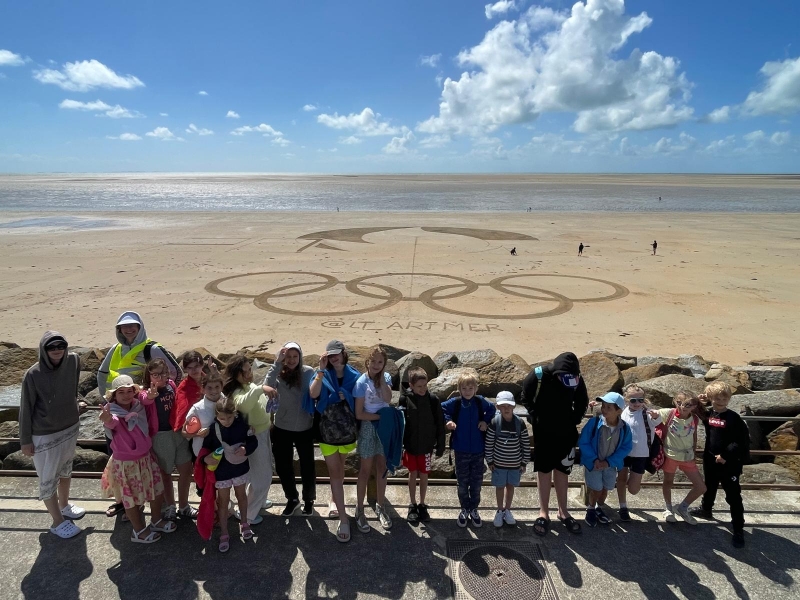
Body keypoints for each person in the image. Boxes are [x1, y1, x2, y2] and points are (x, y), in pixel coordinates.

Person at [19, 331, 85, 539]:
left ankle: (64, 505)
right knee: (48, 478)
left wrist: (77, 402)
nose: (57, 350)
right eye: (51, 347)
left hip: (69, 427)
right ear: (43, 350)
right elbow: (26, 408)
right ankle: (57, 522)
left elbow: (73, 387)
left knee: (65, 471)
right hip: (44, 434)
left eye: (60, 346)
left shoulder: (73, 361)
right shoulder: (33, 374)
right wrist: (25, 441)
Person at [521, 352, 589, 536]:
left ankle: (563, 510)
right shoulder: (539, 375)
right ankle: (543, 511)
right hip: (543, 434)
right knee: (544, 472)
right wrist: (534, 415)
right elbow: (525, 396)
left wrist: (573, 419)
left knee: (562, 471)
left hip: (566, 434)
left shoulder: (576, 378)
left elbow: (582, 401)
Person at [100, 375, 174, 543]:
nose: (126, 395)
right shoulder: (111, 411)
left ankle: (156, 520)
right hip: (126, 463)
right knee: (130, 498)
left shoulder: (137, 406)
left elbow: (147, 400)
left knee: (157, 489)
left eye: (129, 391)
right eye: (121, 392)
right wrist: (107, 420)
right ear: (114, 395)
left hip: (145, 457)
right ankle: (138, 531)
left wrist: (150, 396)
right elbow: (113, 423)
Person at [307, 340, 362, 542]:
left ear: (343, 353)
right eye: (330, 355)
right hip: (327, 432)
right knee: (335, 473)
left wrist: (345, 395)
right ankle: (344, 518)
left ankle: (333, 499)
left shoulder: (354, 376)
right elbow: (313, 393)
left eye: (336, 354)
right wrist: (320, 371)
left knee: (340, 468)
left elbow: (361, 400)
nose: (333, 358)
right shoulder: (322, 373)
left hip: (347, 431)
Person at [692, 382, 750, 548]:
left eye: (724, 397)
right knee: (709, 486)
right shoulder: (709, 414)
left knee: (733, 496)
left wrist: (726, 456)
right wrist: (699, 399)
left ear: (729, 398)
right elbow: (693, 408)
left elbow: (741, 441)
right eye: (717, 397)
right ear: (711, 398)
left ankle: (738, 529)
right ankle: (706, 509)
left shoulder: (734, 418)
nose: (721, 400)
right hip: (710, 459)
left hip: (729, 463)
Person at [264, 342, 316, 517]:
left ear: (300, 357)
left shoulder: (308, 372)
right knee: (283, 465)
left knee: (307, 465)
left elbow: (317, 391)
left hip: (305, 427)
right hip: (282, 426)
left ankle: (309, 500)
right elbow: (266, 386)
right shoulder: (279, 372)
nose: (292, 360)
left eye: (295, 356)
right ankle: (292, 498)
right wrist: (277, 363)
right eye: (288, 357)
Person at [140, 358, 194, 520]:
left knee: (186, 470)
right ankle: (170, 505)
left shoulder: (171, 385)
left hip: (178, 432)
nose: (160, 377)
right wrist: (150, 396)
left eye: (163, 373)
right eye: (155, 374)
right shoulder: (145, 391)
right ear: (149, 376)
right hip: (160, 436)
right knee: (166, 473)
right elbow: (144, 399)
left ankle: (184, 505)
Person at [202, 396, 259, 552]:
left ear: (235, 414)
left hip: (239, 468)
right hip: (221, 471)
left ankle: (244, 523)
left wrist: (246, 449)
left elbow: (253, 441)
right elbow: (206, 449)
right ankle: (224, 531)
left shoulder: (242, 425)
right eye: (222, 418)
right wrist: (205, 459)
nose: (226, 421)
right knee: (223, 501)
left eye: (229, 417)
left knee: (242, 495)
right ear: (216, 416)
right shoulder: (213, 429)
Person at [222, 355, 274, 525]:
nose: (248, 374)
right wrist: (260, 389)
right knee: (264, 475)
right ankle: (249, 513)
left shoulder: (248, 386)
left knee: (256, 472)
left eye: (249, 369)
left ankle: (257, 500)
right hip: (254, 436)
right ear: (235, 374)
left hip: (263, 432)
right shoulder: (236, 391)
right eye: (243, 372)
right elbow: (243, 404)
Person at [441, 370, 496, 528]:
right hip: (461, 450)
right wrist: (448, 421)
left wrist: (485, 421)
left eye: (470, 388)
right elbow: (442, 408)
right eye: (464, 389)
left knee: (477, 483)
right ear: (459, 389)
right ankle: (464, 508)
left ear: (476, 389)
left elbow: (492, 409)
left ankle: (474, 509)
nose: (467, 392)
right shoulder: (456, 402)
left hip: (479, 451)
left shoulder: (480, 401)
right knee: (462, 483)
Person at [353, 345, 396, 533]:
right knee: (364, 470)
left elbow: (388, 399)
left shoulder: (386, 379)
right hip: (370, 426)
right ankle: (359, 509)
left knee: (382, 468)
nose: (377, 365)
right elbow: (359, 413)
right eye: (374, 361)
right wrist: (380, 418)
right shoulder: (361, 383)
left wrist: (382, 379)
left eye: (381, 362)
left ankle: (380, 506)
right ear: (367, 362)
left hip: (384, 428)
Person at [578, 392, 633, 527]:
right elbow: (583, 442)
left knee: (606, 488)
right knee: (596, 488)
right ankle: (591, 508)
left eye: (609, 407)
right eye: (603, 406)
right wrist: (595, 460)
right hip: (594, 464)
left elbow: (626, 447)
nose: (604, 409)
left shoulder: (624, 428)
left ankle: (598, 507)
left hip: (611, 465)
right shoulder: (594, 422)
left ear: (619, 411)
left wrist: (609, 462)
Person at [399, 367, 445, 523]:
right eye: (419, 386)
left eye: (425, 385)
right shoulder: (405, 399)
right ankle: (412, 504)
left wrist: (440, 444)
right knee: (412, 474)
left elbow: (440, 423)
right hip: (411, 446)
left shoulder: (433, 400)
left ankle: (422, 504)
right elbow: (401, 425)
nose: (423, 389)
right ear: (411, 385)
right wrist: (399, 446)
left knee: (424, 474)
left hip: (426, 447)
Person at [97, 311, 181, 396]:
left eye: (132, 325)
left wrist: (165, 393)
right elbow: (102, 373)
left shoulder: (152, 348)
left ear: (139, 327)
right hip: (119, 402)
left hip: (145, 402)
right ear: (119, 329)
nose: (129, 329)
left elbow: (176, 372)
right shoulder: (115, 348)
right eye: (124, 326)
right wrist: (105, 398)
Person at [657, 391, 707, 524]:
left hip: (687, 457)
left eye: (687, 404)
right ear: (674, 402)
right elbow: (650, 412)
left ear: (694, 406)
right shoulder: (669, 413)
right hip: (670, 455)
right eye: (679, 403)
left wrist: (694, 451)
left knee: (701, 487)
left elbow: (694, 435)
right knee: (668, 482)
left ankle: (682, 508)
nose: (682, 406)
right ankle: (668, 508)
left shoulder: (694, 418)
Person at [485, 391, 530, 528]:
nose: (506, 408)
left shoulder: (520, 423)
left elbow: (525, 444)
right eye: (503, 406)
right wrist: (490, 461)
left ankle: (507, 510)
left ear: (514, 406)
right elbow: (489, 443)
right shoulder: (494, 422)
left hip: (515, 464)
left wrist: (524, 462)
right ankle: (499, 510)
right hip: (498, 464)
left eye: (509, 406)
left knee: (510, 487)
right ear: (498, 407)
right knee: (500, 487)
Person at [616, 384, 661, 521]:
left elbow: (657, 420)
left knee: (633, 489)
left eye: (640, 400)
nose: (637, 403)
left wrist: (656, 416)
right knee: (621, 479)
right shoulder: (622, 411)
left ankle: (626, 484)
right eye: (633, 400)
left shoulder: (647, 413)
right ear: (626, 400)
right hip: (623, 452)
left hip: (641, 454)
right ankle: (623, 507)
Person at [184, 371, 225, 457]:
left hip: (226, 450)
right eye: (209, 388)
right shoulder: (197, 408)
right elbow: (184, 432)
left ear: (222, 387)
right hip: (205, 453)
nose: (214, 390)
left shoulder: (228, 403)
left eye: (217, 386)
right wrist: (197, 434)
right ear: (202, 389)